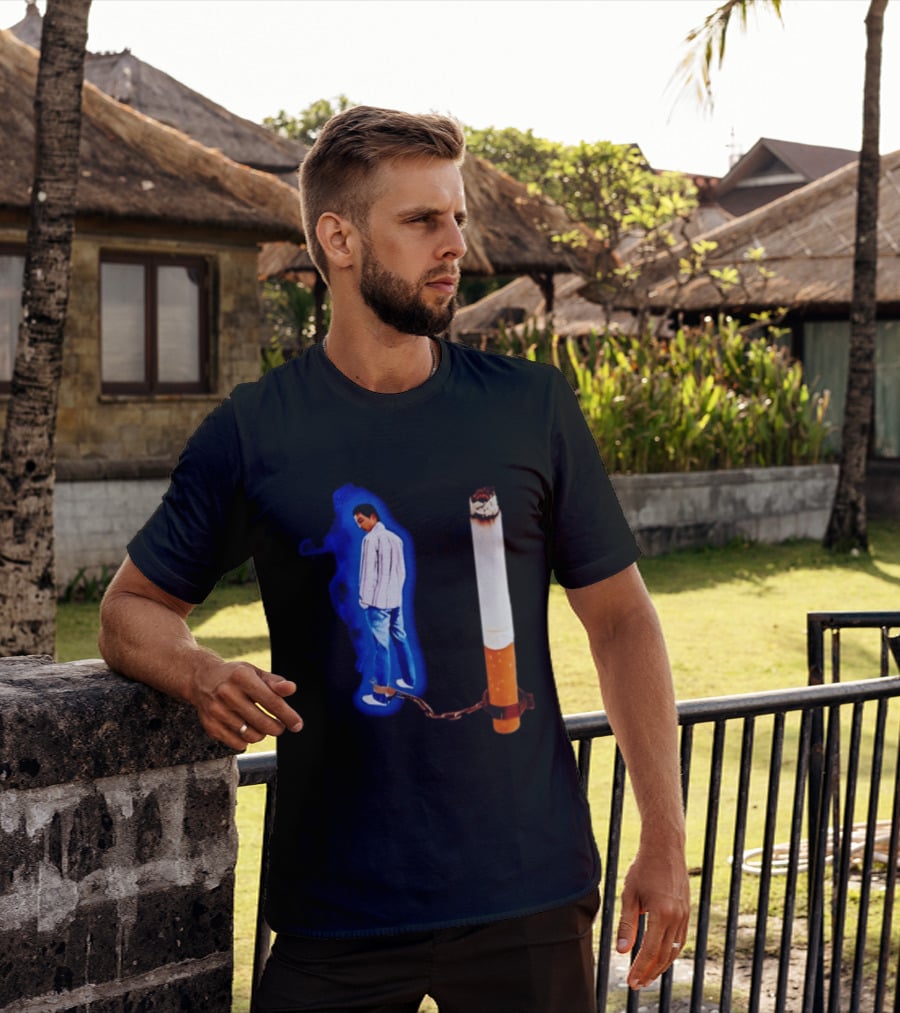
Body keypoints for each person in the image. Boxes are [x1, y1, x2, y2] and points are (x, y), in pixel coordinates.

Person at [99, 105, 690, 1013]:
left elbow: (620, 620)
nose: (454, 242)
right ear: (338, 237)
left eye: (455, 216)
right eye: (421, 220)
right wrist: (199, 671)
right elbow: (128, 609)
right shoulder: (257, 432)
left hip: (528, 890)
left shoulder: (529, 406)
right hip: (336, 907)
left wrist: (664, 835)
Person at [352, 502, 418, 701]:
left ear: (373, 516)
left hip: (376, 602)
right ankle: (409, 679)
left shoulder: (370, 540)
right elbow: (402, 573)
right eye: (357, 523)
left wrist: (364, 600)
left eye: (361, 521)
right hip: (395, 599)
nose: (360, 526)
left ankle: (380, 695)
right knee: (400, 637)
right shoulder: (396, 539)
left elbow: (368, 575)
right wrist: (396, 594)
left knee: (382, 646)